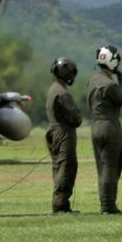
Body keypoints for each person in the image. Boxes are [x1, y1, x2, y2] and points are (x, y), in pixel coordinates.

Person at [86, 44, 122, 215]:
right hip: (109, 127)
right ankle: (108, 206)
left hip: (95, 126)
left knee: (102, 167)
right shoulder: (109, 85)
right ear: (113, 62)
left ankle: (106, 204)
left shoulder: (92, 81)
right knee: (111, 166)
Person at [44, 57, 82, 214]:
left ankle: (62, 204)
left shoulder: (53, 89)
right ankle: (60, 205)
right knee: (66, 167)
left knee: (58, 167)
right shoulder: (63, 93)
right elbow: (76, 118)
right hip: (63, 132)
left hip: (53, 130)